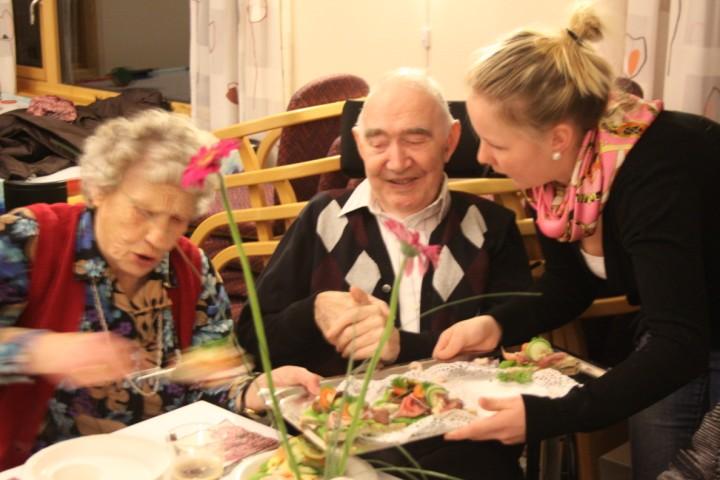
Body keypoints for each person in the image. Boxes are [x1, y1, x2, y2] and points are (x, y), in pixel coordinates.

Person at [433, 5, 720, 479]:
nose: (483, 158)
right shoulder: (562, 181)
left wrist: (547, 415)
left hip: (685, 333)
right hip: (678, 333)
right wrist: (495, 324)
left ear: (558, 137)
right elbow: (570, 285)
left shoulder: (656, 172)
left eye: (497, 145)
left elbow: (679, 343)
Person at [237, 69, 532, 479]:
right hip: (335, 450)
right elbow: (252, 337)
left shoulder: (490, 228)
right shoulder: (323, 219)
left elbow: (516, 363)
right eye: (377, 141)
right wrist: (313, 312)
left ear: (450, 142)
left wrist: (403, 346)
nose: (396, 161)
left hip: (460, 450)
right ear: (359, 144)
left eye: (415, 139)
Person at [0, 109, 320, 470]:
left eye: (177, 220)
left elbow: (209, 385)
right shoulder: (30, 240)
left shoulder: (192, 269)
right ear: (100, 190)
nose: (157, 239)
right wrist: (37, 350)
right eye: (142, 212)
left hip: (155, 467)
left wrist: (256, 390)